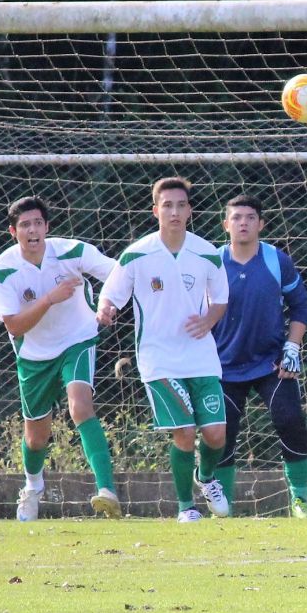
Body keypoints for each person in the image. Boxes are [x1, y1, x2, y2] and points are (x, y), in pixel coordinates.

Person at [97, 177, 231, 523]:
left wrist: (209, 320)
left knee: (216, 434)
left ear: (189, 210)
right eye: (167, 205)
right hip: (159, 359)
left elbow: (221, 300)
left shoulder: (206, 252)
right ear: (155, 210)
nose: (174, 211)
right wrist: (106, 309)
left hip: (201, 356)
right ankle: (186, 506)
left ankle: (206, 478)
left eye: (181, 205)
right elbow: (111, 294)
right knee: (184, 433)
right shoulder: (137, 254)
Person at [0, 197, 122, 521]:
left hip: (78, 337)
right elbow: (15, 324)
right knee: (36, 436)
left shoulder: (71, 251)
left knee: (80, 406)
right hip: (34, 353)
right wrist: (49, 298)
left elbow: (119, 272)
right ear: (13, 231)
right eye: (24, 225)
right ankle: (32, 487)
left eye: (37, 223)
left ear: (47, 227)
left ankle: (107, 491)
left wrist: (107, 303)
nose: (32, 230)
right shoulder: (2, 271)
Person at [211, 194, 307, 518]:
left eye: (250, 217)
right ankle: (223, 505)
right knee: (221, 434)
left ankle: (300, 500)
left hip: (272, 363)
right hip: (222, 366)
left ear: (261, 223)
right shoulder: (210, 263)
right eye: (237, 217)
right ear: (226, 224)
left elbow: (300, 306)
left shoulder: (276, 260)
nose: (243, 222)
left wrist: (293, 348)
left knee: (291, 420)